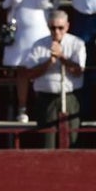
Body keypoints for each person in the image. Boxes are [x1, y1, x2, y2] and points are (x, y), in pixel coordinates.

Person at [2, 0, 56, 123]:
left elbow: (52, 3)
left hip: (41, 35)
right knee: (23, 73)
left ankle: (42, 106)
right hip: (21, 36)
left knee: (42, 70)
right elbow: (8, 3)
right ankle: (22, 108)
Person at [22, 9, 86, 149]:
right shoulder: (39, 45)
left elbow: (78, 71)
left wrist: (62, 57)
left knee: (72, 138)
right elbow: (29, 74)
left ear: (67, 26)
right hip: (46, 98)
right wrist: (49, 63)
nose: (57, 31)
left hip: (70, 97)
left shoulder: (77, 43)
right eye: (53, 28)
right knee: (47, 141)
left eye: (60, 28)